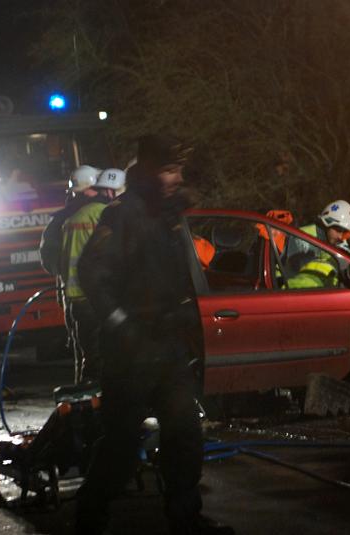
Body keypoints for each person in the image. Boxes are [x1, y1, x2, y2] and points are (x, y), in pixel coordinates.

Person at [75, 135, 232, 535]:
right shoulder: (122, 214)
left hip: (169, 348)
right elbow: (91, 273)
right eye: (167, 169)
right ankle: (89, 520)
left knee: (184, 436)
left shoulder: (170, 217)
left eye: (178, 168)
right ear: (148, 172)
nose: (176, 177)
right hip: (130, 354)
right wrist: (121, 324)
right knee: (122, 446)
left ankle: (185, 519)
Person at [60, 168, 125, 383]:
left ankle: (85, 407)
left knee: (88, 359)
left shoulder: (71, 218)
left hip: (75, 299)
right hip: (95, 297)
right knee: (105, 362)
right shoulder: (102, 215)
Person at [40, 165, 101, 364]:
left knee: (84, 354)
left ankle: (85, 392)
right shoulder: (105, 212)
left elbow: (49, 263)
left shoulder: (59, 221)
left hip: (73, 298)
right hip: (102, 297)